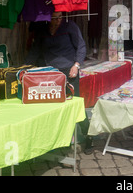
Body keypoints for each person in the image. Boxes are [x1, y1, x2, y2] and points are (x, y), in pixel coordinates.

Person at [25, 11, 90, 151]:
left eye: (60, 17)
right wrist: (25, 66)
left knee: (75, 105)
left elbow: (81, 46)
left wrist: (76, 65)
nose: (58, 20)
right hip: (50, 73)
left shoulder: (69, 26)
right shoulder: (42, 29)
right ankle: (60, 139)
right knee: (53, 107)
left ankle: (88, 135)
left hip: (69, 71)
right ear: (48, 18)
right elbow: (35, 50)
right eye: (54, 17)